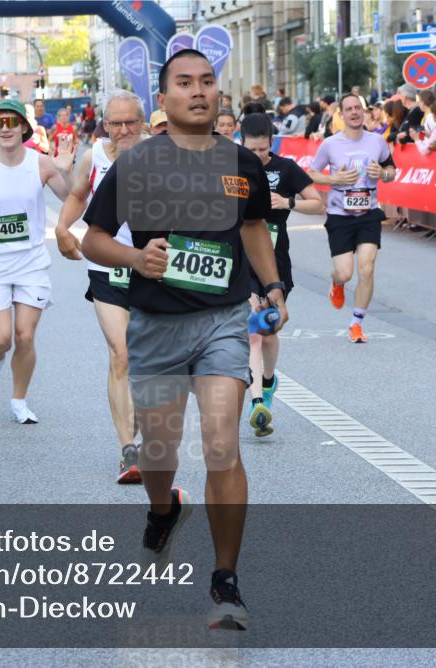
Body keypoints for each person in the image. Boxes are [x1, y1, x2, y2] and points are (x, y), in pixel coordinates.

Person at [82, 49, 284, 631]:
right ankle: (164, 508)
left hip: (223, 318)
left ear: (218, 94)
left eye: (207, 82)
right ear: (164, 99)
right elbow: (93, 238)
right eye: (184, 83)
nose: (198, 91)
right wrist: (135, 257)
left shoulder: (242, 163)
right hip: (156, 326)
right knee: (158, 456)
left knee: (222, 444)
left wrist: (271, 287)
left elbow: (252, 228)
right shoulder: (138, 162)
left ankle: (225, 580)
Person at [0, 100, 74, 424]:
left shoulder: (41, 163)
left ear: (23, 127)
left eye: (11, 121)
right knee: (3, 338)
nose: (4, 127)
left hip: (31, 261)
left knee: (24, 336)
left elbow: (72, 197)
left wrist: (65, 167)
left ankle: (19, 400)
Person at [54, 90, 148, 483]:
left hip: (153, 266)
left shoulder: (160, 154)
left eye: (131, 122)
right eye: (116, 123)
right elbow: (78, 195)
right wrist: (62, 228)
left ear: (142, 122)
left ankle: (139, 413)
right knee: (121, 353)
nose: (124, 130)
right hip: (107, 266)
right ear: (104, 124)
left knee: (150, 360)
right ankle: (128, 450)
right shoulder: (96, 157)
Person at [239, 113, 324, 436]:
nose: (258, 156)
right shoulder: (232, 166)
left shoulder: (285, 169)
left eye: (263, 149)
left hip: (275, 260)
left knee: (269, 331)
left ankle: (268, 381)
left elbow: (318, 203)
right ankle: (257, 400)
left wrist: (287, 201)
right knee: (253, 328)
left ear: (270, 144)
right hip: (242, 258)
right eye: (252, 149)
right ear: (241, 142)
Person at [308, 93, 396, 344]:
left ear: (364, 112)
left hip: (368, 213)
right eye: (349, 109)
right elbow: (313, 173)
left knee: (366, 268)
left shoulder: (377, 141)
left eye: (358, 108)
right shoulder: (330, 144)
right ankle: (336, 283)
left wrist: (383, 174)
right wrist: (333, 180)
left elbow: (392, 170)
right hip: (339, 216)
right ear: (342, 115)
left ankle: (356, 323)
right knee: (345, 273)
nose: (355, 112)